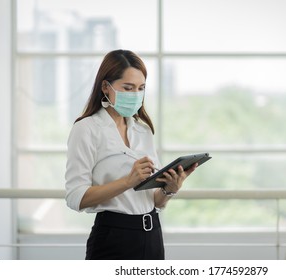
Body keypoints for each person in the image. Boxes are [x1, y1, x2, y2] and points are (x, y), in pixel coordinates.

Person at [65, 49, 197, 260]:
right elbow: (75, 197)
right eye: (128, 88)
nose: (135, 94)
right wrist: (127, 181)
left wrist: (169, 190)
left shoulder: (142, 130)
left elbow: (154, 201)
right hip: (113, 239)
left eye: (141, 88)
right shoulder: (87, 129)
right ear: (106, 87)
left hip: (152, 236)